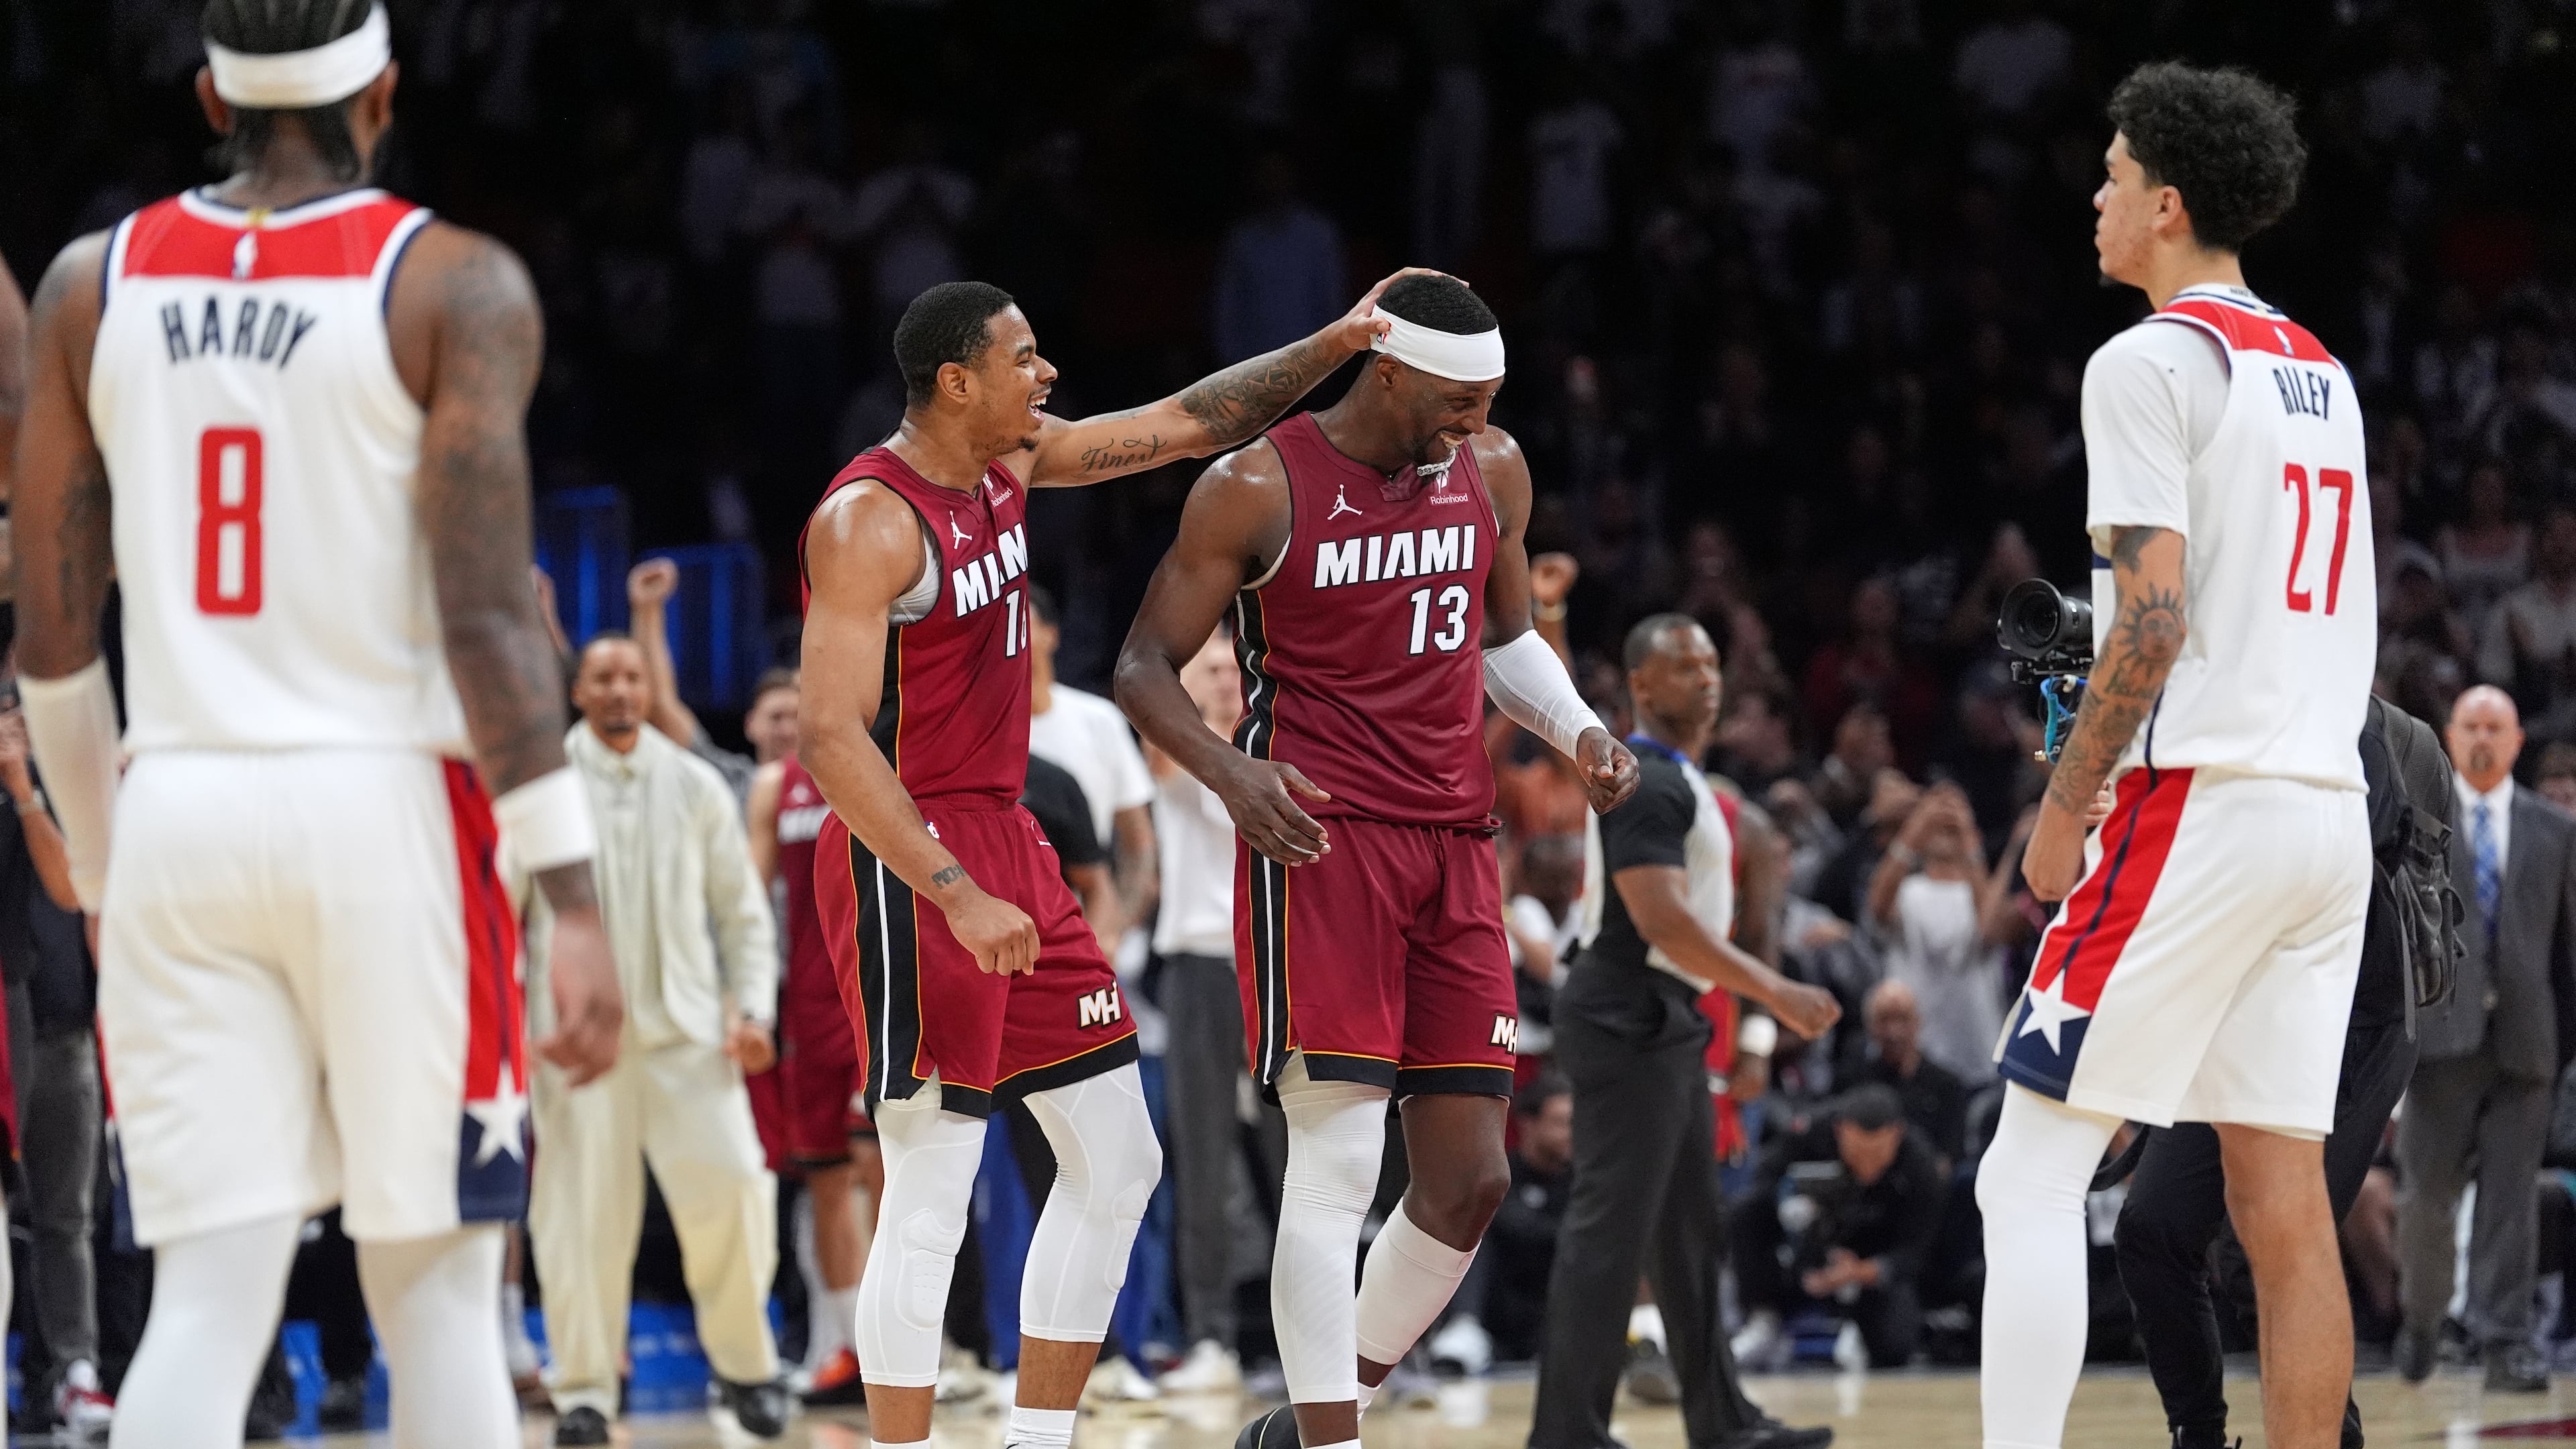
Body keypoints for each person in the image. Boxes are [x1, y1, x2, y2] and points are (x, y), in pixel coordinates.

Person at [13, 5, 626, 1446]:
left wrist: (105, 869)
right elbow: (488, 625)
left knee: (208, 1300)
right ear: (386, 90)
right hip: (387, 809)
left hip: (174, 809)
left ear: (211, 93)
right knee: (437, 1295)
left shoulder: (87, 284)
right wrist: (573, 895)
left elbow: (51, 631)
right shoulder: (456, 283)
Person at [798, 266, 1414, 1449]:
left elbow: (1194, 422)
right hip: (908, 849)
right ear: (956, 379)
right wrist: (954, 888)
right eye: (1025, 358)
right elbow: (829, 737)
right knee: (931, 1178)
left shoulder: (1012, 463)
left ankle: (1038, 1440)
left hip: (1007, 834)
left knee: (1122, 1157)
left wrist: (1336, 338)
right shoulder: (867, 519)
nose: (1048, 374)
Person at [1114, 272, 1644, 1449]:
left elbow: (1504, 639)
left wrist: (1582, 731)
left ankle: (1320, 1408)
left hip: (1457, 847)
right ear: (1390, 371)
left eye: (1492, 403)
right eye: (1460, 402)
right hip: (1322, 841)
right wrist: (1233, 774)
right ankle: (1333, 1438)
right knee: (1342, 1157)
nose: (1477, 426)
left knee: (1470, 1181)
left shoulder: (1491, 470)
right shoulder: (1256, 484)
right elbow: (1145, 665)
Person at [1984, 62, 2376, 1449]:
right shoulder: (2320, 367)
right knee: (2283, 1206)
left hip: (2205, 795)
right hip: (2330, 814)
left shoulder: (2145, 361)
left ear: (2165, 203)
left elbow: (2150, 624)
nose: (2091, 198)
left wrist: (2062, 802)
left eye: (2109, 176)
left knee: (2024, 1174)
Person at [1530, 613, 1838, 1449]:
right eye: (1683, 666)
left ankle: (1723, 1422)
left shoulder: (1685, 781)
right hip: (1626, 1006)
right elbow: (1661, 919)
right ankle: (1567, 1435)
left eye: (1711, 663)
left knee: (1690, 1231)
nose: (1706, 678)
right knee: (1610, 1236)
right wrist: (1774, 992)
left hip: (1662, 1017)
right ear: (1640, 685)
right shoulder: (1647, 781)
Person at [2116, 695, 2458, 1446]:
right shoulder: (2215, 712)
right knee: (2151, 1228)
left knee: (2260, 1246)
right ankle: (2198, 1434)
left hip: (2351, 1021)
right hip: (2242, 1011)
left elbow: (2299, 877)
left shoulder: (2347, 726)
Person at [523, 636, 785, 1443]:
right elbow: (500, 920)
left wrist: (754, 1011)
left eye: (633, 676)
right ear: (579, 692)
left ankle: (747, 1370)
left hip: (689, 1035)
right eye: (603, 677)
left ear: (648, 687)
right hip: (577, 1043)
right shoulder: (541, 789)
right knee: (578, 1217)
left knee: (737, 1190)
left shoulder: (697, 782)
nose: (620, 690)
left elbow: (743, 916)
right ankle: (585, 1395)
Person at [2394, 685, 2576, 1392]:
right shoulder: (2416, 824)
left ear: (2515, 742)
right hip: (2438, 1038)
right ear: (2448, 735)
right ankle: (2422, 1317)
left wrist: (2560, 1046)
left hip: (2526, 1039)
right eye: (2470, 725)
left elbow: (2566, 952)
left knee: (2510, 1197)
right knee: (2426, 1196)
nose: (2482, 737)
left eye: (2495, 727)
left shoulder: (2555, 831)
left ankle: (2504, 1340)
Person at [745, 739, 883, 1409]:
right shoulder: (778, 785)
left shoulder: (886, 759)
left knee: (886, 1171)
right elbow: (748, 898)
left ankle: (907, 1340)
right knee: (825, 1179)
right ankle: (846, 1344)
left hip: (878, 999)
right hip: (806, 1004)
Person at [0, 675, 112, 1440]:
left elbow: (72, 888)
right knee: (9, 1215)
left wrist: (23, 787)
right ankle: (29, 1372)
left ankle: (73, 1372)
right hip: (7, 1009)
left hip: (65, 1020)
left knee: (66, 1217)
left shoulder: (57, 782)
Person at [1150, 629, 1256, 1394]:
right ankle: (1211, 1338)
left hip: (1276, 965)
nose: (1224, 680)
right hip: (1197, 969)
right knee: (1203, 1154)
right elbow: (1158, 723)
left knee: (1302, 1158)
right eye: (1209, 669)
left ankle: (1318, 1337)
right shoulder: (1181, 756)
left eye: (1232, 667)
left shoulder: (1275, 750)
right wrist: (1183, 669)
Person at [1731, 1084, 1948, 1372]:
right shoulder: (1808, 1133)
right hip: (1808, 1250)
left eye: (1877, 1156)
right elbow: (1764, 1180)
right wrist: (1790, 1207)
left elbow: (1918, 1250)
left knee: (1896, 1343)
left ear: (1896, 1135)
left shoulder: (1920, 1165)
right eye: (1859, 1155)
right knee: (1745, 1212)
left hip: (1874, 1266)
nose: (1868, 1167)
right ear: (1840, 1131)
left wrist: (1861, 1271)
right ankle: (1764, 1318)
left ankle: (1862, 1336)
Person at [1028, 585, 1157, 945]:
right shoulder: (982, 729)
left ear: (1052, 635)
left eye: (1022, 624)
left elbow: (1138, 837)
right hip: (1015, 921)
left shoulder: (1098, 719)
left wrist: (1118, 924)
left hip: (1088, 913)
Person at [1430, 1073, 1576, 1372]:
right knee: (1477, 1232)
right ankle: (1464, 1331)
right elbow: (1515, 1225)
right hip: (1498, 1308)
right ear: (1528, 1124)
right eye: (1561, 1123)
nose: (1571, 1133)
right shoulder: (1500, 1175)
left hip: (1558, 1309)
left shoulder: (1583, 1182)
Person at [628, 557, 800, 803]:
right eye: (776, 717)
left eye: (797, 717)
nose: (787, 730)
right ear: (750, 725)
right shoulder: (732, 781)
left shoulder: (836, 791)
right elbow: (660, 708)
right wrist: (648, 608)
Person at [1845, 980, 1968, 1166]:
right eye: (1884, 1019)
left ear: (1918, 1022)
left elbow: (1950, 1158)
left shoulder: (1947, 1086)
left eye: (1902, 1019)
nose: (1894, 1032)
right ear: (1870, 1025)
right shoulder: (1854, 1080)